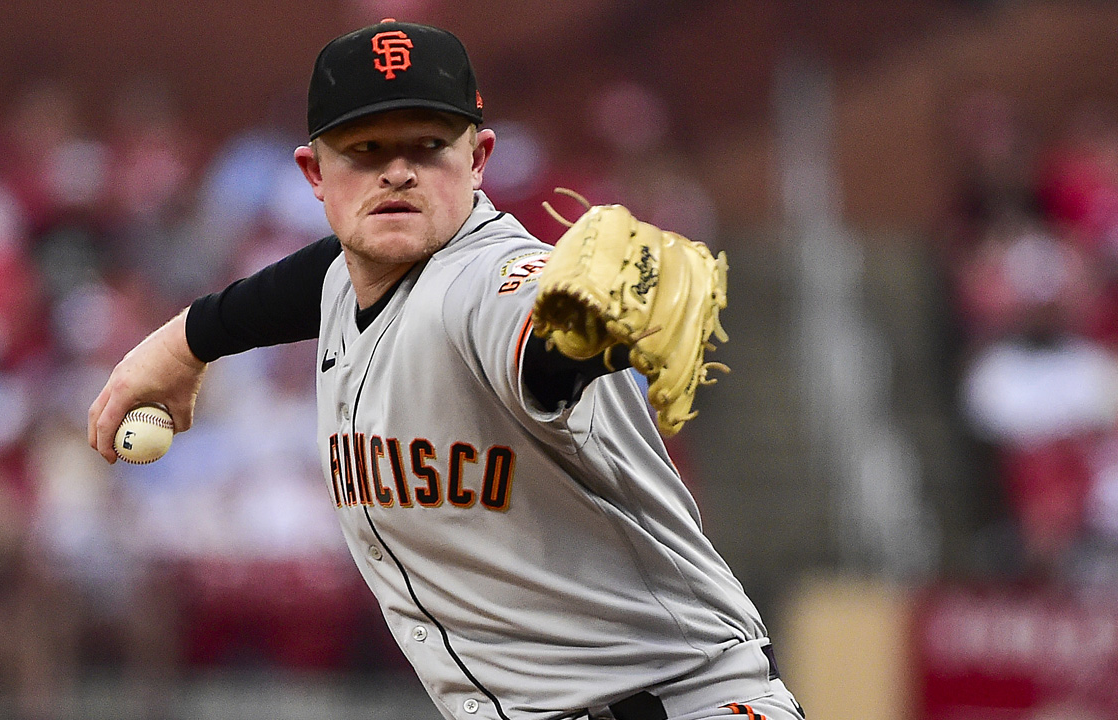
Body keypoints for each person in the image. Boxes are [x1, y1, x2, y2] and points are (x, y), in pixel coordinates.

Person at [89, 19, 804, 720]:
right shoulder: (352, 276)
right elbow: (316, 279)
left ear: (479, 158)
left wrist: (587, 333)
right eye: (366, 149)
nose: (397, 170)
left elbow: (531, 337)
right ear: (315, 172)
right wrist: (185, 341)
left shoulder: (491, 281)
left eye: (428, 147)